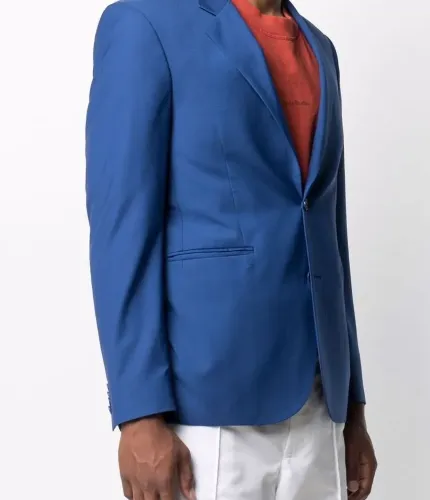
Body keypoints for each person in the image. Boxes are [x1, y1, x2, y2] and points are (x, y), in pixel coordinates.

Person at [86, 0, 377, 498]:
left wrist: (352, 407)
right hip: (206, 406)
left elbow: (329, 232)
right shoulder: (144, 25)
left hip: (317, 407)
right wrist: (138, 413)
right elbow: (122, 229)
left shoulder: (320, 49)